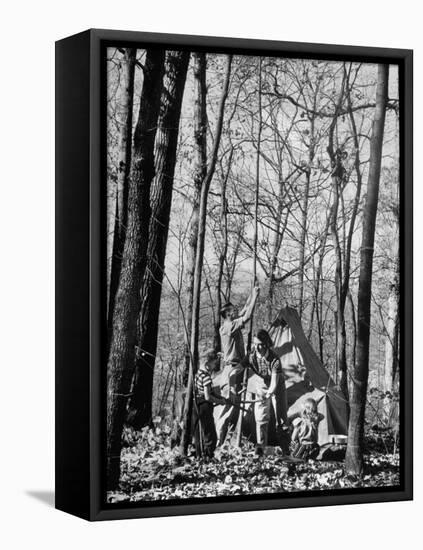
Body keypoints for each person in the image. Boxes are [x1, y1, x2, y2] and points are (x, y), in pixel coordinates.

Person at [215, 284, 260, 445]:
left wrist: (252, 293)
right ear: (227, 314)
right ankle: (217, 442)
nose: (236, 311)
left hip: (237, 366)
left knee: (232, 404)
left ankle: (224, 440)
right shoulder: (229, 326)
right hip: (231, 369)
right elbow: (247, 316)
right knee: (227, 406)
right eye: (233, 310)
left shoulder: (230, 322)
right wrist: (254, 297)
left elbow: (244, 310)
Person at [248, 329, 289, 455]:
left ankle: (286, 450)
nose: (257, 347)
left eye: (260, 344)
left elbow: (273, 384)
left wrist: (268, 394)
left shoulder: (274, 359)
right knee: (261, 418)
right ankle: (261, 449)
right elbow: (241, 370)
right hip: (261, 384)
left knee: (281, 417)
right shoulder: (251, 356)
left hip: (276, 386)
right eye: (255, 344)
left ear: (266, 344)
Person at [192, 349, 227, 458]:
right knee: (209, 431)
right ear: (207, 364)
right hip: (204, 406)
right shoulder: (206, 377)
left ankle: (199, 453)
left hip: (196, 405)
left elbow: (208, 392)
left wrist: (220, 397)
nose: (214, 366)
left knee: (199, 431)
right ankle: (208, 455)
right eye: (214, 364)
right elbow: (207, 396)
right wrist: (220, 401)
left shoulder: (198, 374)